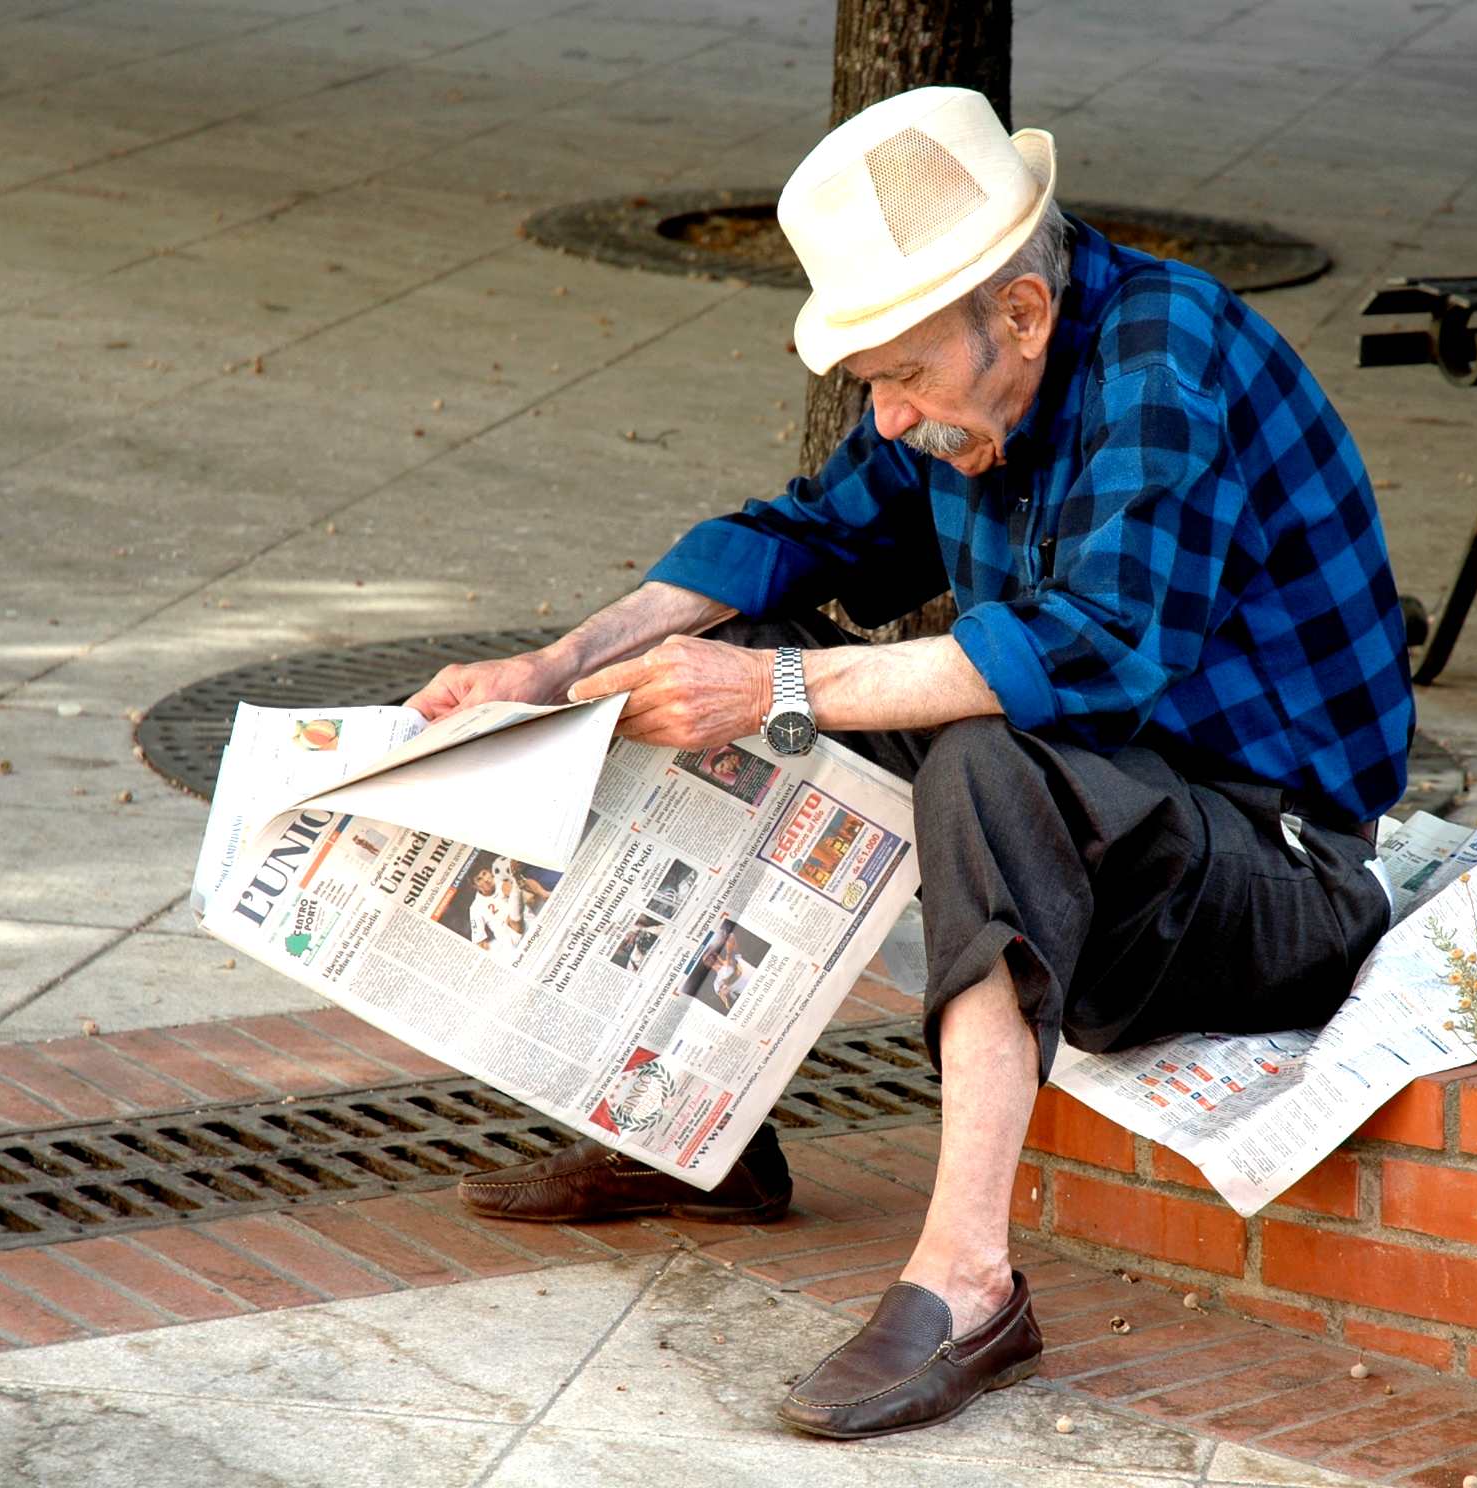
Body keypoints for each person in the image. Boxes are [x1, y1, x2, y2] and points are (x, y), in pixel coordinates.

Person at [416, 86, 1411, 1440]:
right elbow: (793, 540)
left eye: (899, 378)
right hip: (1116, 815)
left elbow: (1095, 649)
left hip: (1272, 874)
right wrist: (555, 667)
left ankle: (968, 1282)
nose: (884, 421)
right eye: (871, 381)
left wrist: (765, 689)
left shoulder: (1165, 367)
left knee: (968, 752)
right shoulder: (973, 387)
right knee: (728, 660)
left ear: (1022, 312)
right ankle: (696, 1128)